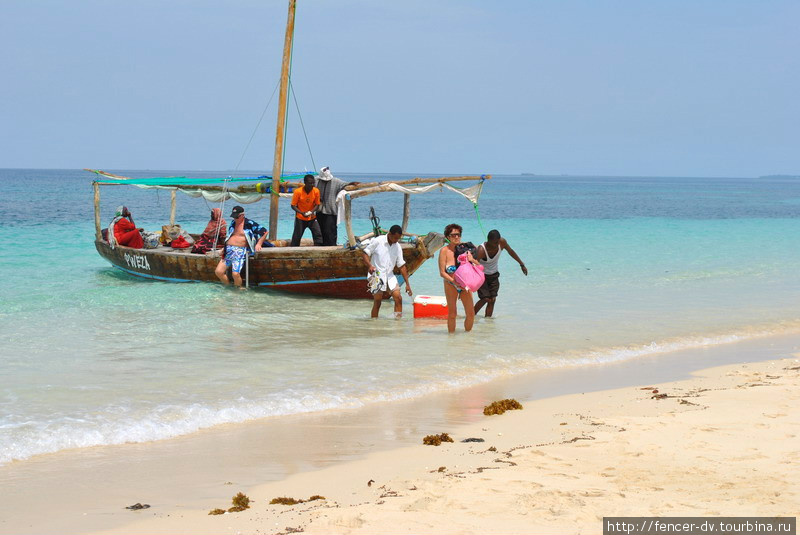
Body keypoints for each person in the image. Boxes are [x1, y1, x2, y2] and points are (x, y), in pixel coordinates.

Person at [361, 224, 413, 318]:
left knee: (398, 298)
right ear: (389, 234)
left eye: (398, 239)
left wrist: (408, 284)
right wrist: (370, 266)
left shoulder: (397, 247)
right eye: (395, 238)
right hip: (375, 276)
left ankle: (398, 324)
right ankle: (374, 324)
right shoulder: (378, 241)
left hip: (390, 276)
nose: (396, 240)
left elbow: (401, 265)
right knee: (378, 301)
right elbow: (365, 253)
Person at [473, 229, 528, 317]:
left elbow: (511, 251)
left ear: (499, 240)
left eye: (496, 243)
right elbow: (473, 266)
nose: (494, 246)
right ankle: (471, 315)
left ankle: (488, 323)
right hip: (482, 276)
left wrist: (521, 264)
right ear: (488, 241)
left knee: (492, 299)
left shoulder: (502, 242)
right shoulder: (481, 250)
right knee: (485, 299)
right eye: (492, 243)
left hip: (494, 275)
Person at [214, 205, 272, 287]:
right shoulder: (233, 223)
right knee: (218, 272)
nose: (235, 219)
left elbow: (265, 232)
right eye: (234, 217)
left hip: (240, 251)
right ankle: (228, 287)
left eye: (237, 217)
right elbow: (230, 236)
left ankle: (238, 290)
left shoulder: (250, 223)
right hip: (229, 250)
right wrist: (224, 248)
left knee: (235, 274)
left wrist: (259, 244)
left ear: (242, 215)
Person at [438, 223, 480, 333]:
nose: (456, 237)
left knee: (470, 314)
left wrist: (471, 259)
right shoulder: (444, 251)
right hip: (450, 284)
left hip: (465, 285)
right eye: (453, 235)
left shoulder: (466, 248)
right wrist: (453, 281)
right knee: (452, 314)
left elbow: (478, 265)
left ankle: (467, 340)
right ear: (447, 237)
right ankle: (451, 340)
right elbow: (442, 272)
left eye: (458, 234)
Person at [315, 166, 359, 246]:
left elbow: (344, 184)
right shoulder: (317, 181)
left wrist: (352, 183)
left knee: (331, 231)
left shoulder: (336, 181)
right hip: (319, 210)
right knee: (320, 231)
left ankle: (332, 246)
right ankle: (322, 246)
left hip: (331, 211)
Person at [290, 174, 323, 247]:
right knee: (296, 237)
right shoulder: (298, 192)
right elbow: (293, 205)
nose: (312, 185)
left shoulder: (316, 191)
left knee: (318, 234)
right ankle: (294, 251)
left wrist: (311, 212)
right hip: (300, 218)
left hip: (312, 217)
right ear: (305, 182)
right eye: (310, 183)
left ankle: (318, 250)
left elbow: (317, 205)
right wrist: (301, 213)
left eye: (313, 183)